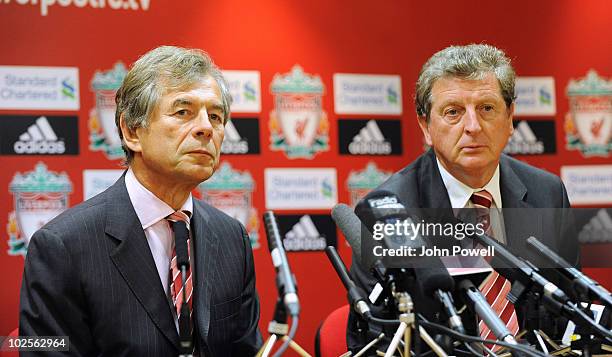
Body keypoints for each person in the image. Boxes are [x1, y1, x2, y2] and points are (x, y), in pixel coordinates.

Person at [20, 46, 262, 356]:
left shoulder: (232, 238)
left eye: (215, 116)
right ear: (132, 132)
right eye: (183, 112)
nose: (206, 128)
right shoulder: (63, 246)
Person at [348, 44, 579, 352]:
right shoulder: (389, 211)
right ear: (425, 126)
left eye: (486, 108)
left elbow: (570, 311)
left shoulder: (547, 194)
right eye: (453, 112)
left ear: (510, 117)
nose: (472, 127)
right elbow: (374, 340)